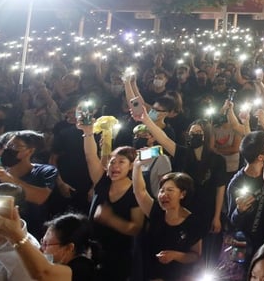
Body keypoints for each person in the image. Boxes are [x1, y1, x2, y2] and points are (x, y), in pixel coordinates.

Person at [138, 113, 227, 265]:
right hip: (184, 209)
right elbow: (164, 140)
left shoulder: (217, 160)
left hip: (207, 210)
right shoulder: (183, 154)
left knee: (204, 253)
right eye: (191, 133)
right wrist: (146, 119)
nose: (193, 136)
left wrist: (217, 216)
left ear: (206, 135)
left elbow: (220, 188)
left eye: (198, 133)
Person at [80, 123, 142, 281]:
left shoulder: (136, 192)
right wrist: (88, 132)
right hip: (93, 249)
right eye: (112, 162)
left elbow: (136, 228)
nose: (115, 166)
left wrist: (110, 219)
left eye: (121, 162)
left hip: (119, 255)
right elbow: (90, 157)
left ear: (130, 167)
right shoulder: (102, 182)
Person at [0, 130, 57, 238]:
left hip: (30, 235)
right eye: (8, 145)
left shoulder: (44, 171)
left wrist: (9, 179)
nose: (8, 150)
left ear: (30, 151)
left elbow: (40, 197)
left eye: (15, 146)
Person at [131, 163, 204, 280]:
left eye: (170, 190)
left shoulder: (193, 222)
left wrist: (175, 255)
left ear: (182, 194)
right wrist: (137, 166)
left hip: (175, 276)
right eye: (162, 191)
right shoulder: (156, 212)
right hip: (148, 273)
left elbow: (195, 256)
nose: (164, 195)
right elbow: (140, 191)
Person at [227, 130, 264, 262]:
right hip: (250, 244)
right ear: (261, 157)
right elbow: (232, 221)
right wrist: (239, 211)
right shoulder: (236, 184)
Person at [0, 211, 97, 281]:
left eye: (46, 244)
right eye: (42, 242)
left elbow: (43, 273)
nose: (41, 249)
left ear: (69, 248)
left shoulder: (83, 269)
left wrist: (15, 234)